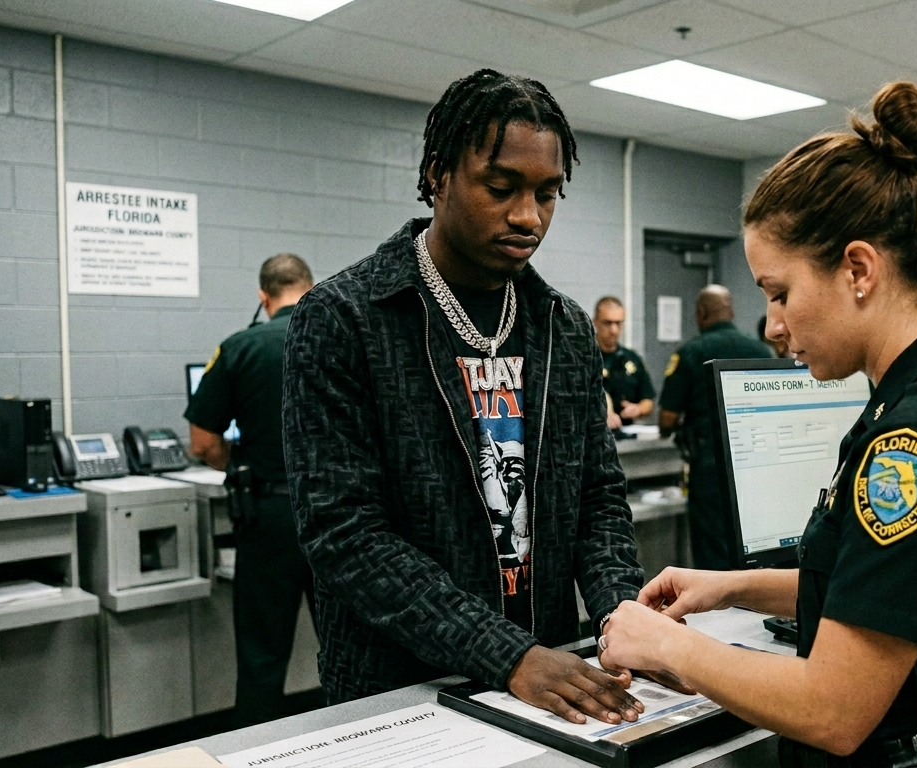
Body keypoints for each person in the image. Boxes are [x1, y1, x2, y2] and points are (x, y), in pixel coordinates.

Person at [599, 82, 917, 767]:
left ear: (858, 269)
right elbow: (887, 589)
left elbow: (834, 709)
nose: (773, 327)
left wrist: (669, 645)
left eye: (781, 293)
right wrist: (730, 586)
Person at [282, 69, 647, 728]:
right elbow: (344, 534)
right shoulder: (345, 317)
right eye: (501, 188)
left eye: (547, 194)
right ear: (438, 176)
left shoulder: (563, 326)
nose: (528, 216)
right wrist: (506, 654)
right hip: (404, 690)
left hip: (547, 673)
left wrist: (623, 619)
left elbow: (597, 497)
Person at [186, 253, 317, 726]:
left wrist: (240, 462)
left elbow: (202, 443)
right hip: (340, 516)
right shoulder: (342, 337)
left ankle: (257, 750)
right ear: (311, 287)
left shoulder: (239, 347)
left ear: (263, 297)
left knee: (263, 655)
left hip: (269, 516)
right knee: (348, 647)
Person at [657, 285, 774, 570]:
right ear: (731, 311)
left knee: (713, 554)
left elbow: (667, 419)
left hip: (709, 469)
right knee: (754, 546)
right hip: (756, 465)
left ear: (701, 313)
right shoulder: (761, 350)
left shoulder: (691, 352)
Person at [593, 296, 655, 431]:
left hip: (626, 431)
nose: (614, 330)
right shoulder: (584, 357)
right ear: (595, 322)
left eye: (618, 323)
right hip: (593, 433)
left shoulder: (632, 358)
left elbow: (648, 400)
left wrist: (638, 409)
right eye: (607, 323)